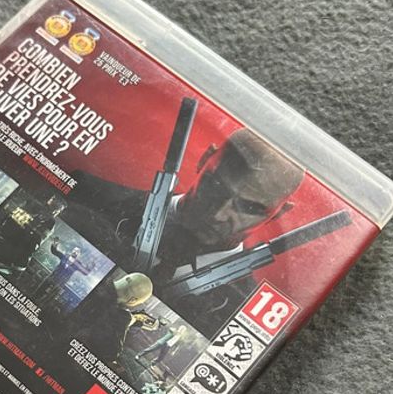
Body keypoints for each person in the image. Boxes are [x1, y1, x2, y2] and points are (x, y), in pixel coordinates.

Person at [65, 127, 304, 336]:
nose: (218, 214)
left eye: (249, 208)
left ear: (280, 213)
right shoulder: (85, 193)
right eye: (216, 186)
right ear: (204, 159)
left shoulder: (240, 318)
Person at [73, 272, 159, 367]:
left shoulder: (98, 280)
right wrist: (128, 322)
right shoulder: (120, 318)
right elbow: (110, 354)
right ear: (133, 300)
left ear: (126, 277)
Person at [0, 195, 66, 275]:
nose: (55, 213)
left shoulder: (30, 203)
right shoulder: (49, 222)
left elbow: (4, 219)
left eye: (58, 211)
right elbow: (34, 245)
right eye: (57, 209)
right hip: (5, 260)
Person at [36, 242, 93, 306]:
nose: (75, 252)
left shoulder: (78, 264)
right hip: (52, 278)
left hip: (59, 284)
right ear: (72, 251)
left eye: (77, 252)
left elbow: (85, 272)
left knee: (48, 299)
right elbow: (54, 251)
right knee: (39, 291)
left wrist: (91, 266)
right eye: (74, 250)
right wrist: (54, 244)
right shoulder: (65, 256)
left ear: (79, 255)